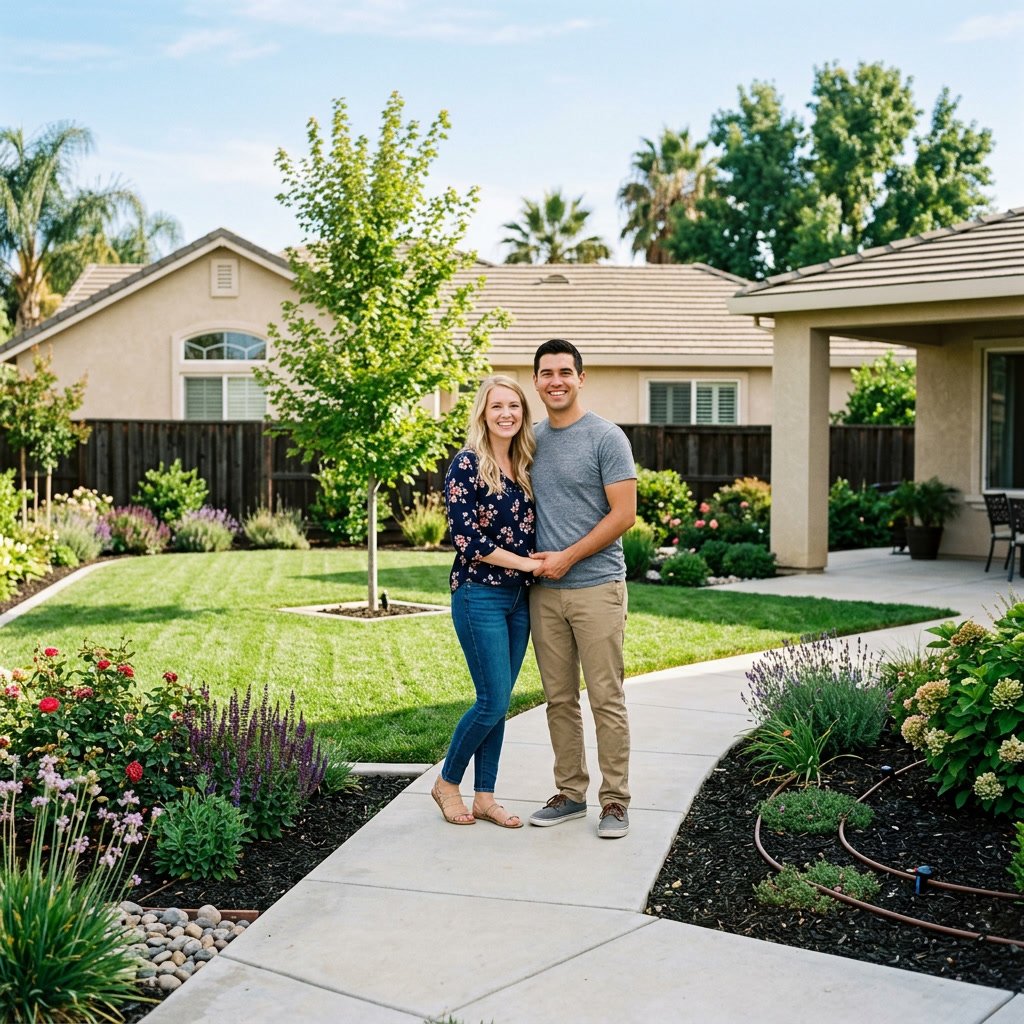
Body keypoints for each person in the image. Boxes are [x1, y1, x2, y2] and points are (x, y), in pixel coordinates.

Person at [527, 339, 637, 838]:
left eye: (565, 372)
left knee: (605, 698)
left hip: (597, 587)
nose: (556, 381)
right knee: (558, 699)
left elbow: (624, 514)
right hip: (544, 593)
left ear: (581, 378)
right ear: (536, 382)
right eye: (547, 373)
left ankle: (614, 802)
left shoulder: (606, 438)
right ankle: (571, 794)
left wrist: (567, 557)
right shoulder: (530, 441)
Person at [432, 374, 543, 828]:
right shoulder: (467, 464)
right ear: (483, 412)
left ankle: (484, 796)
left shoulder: (525, 463)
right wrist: (527, 564)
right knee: (492, 700)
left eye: (514, 406)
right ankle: (447, 783)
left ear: (523, 413)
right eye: (497, 406)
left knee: (500, 702)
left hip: (520, 599)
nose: (506, 414)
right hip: (479, 593)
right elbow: (467, 539)